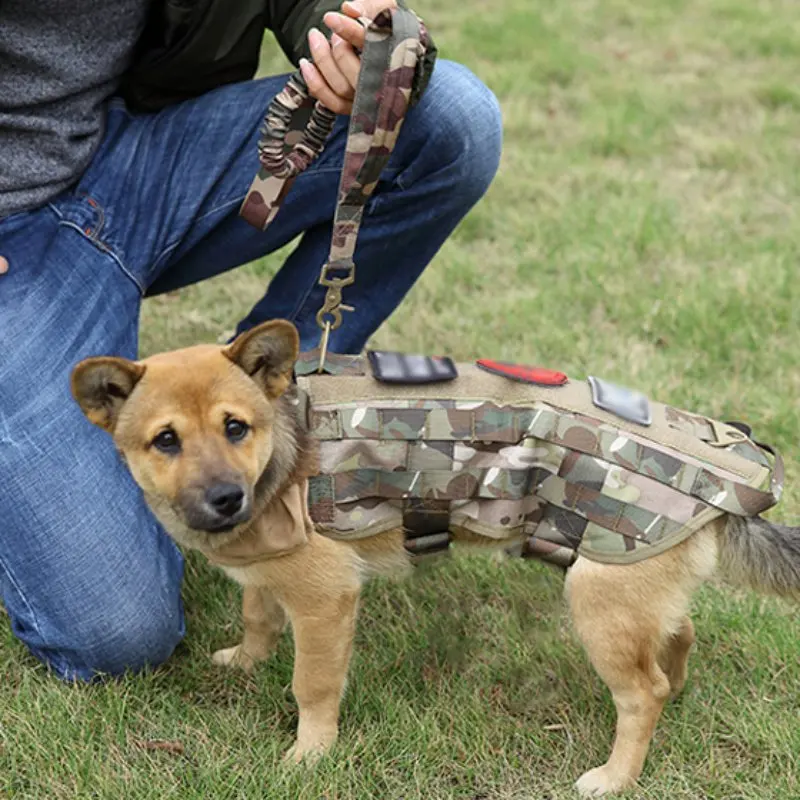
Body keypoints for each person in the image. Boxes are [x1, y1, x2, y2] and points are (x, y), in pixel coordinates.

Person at [0, 0, 502, 681]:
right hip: (12, 240)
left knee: (447, 119)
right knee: (116, 635)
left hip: (132, 152)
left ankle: (256, 401)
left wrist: (357, 37)